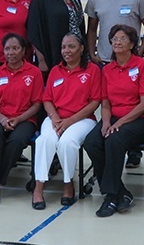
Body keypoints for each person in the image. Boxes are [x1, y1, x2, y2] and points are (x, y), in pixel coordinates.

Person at [84, 0, 144, 169]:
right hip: (106, 61)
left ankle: (133, 152)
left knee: (132, 101)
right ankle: (110, 154)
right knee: (112, 104)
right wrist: (92, 53)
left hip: (131, 61)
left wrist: (140, 52)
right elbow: (92, 29)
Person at [84, 24, 144, 217]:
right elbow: (105, 102)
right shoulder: (107, 69)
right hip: (113, 117)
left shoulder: (142, 66)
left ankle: (110, 195)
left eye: (122, 38)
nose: (117, 42)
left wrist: (119, 123)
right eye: (114, 38)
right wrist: (106, 123)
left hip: (138, 119)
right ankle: (122, 192)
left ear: (132, 43)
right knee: (92, 141)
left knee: (114, 139)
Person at [31, 33, 101, 210]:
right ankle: (38, 188)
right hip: (56, 117)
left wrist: (69, 121)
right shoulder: (56, 70)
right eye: (64, 47)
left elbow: (94, 102)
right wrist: (54, 118)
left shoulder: (92, 70)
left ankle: (68, 183)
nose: (66, 51)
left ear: (81, 48)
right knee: (45, 140)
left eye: (71, 46)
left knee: (67, 143)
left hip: (82, 119)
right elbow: (47, 99)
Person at [0, 33, 43, 205]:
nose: (11, 52)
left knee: (17, 140)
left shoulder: (34, 73)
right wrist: (1, 119)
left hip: (25, 119)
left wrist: (19, 119)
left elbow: (37, 104)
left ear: (23, 51)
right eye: (7, 49)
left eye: (15, 48)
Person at [27, 0, 85, 74]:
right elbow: (33, 29)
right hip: (53, 52)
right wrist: (41, 60)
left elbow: (80, 22)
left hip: (77, 53)